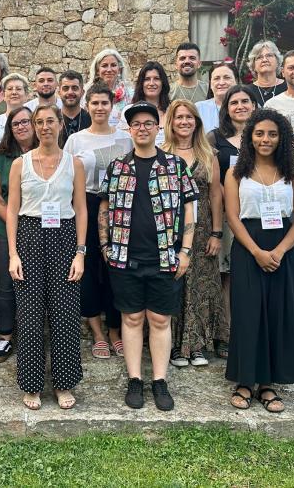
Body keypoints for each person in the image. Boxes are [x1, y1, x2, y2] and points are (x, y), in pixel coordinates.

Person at [99, 101, 198, 411]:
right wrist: (104, 246)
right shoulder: (117, 166)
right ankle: (134, 379)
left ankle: (159, 380)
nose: (142, 128)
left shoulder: (175, 165)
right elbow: (105, 207)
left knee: (159, 318)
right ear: (130, 130)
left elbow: (189, 208)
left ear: (158, 128)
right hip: (124, 257)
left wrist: (186, 250)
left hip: (165, 257)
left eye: (147, 123)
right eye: (136, 124)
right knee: (131, 318)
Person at [224, 108, 294, 413]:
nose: (266, 139)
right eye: (259, 133)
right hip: (248, 248)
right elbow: (232, 217)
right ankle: (245, 381)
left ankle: (268, 384)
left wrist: (279, 251)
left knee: (278, 313)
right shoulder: (235, 173)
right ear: (250, 136)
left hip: (283, 249)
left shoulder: (292, 174)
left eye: (272, 134)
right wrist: (257, 252)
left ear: (281, 138)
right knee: (248, 315)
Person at [8, 104, 87, 410]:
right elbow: (12, 211)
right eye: (38, 122)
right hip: (29, 237)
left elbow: (81, 209)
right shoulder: (20, 164)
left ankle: (64, 383)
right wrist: (13, 254)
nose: (44, 127)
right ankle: (31, 385)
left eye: (50, 121)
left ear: (60, 125)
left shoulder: (74, 164)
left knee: (65, 314)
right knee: (29, 316)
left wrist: (80, 253)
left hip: (64, 238)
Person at [64, 83, 132, 359]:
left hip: (120, 206)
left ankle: (115, 329)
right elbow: (67, 177)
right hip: (87, 204)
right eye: (95, 103)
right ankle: (97, 331)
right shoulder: (76, 140)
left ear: (112, 106)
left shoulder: (125, 139)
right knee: (89, 266)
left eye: (105, 103)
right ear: (87, 105)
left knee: (116, 267)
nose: (100, 108)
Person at [162, 100, 223, 368]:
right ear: (171, 123)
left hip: (202, 230)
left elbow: (216, 194)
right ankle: (175, 345)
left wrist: (217, 233)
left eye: (189, 117)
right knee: (174, 283)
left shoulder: (208, 154)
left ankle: (196, 345)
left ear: (197, 122)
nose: (184, 122)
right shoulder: (161, 153)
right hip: (170, 231)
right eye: (179, 117)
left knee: (200, 284)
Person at [206, 85, 258, 358]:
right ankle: (226, 335)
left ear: (254, 105)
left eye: (245, 101)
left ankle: (253, 330)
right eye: (234, 102)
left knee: (253, 272)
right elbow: (210, 177)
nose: (240, 106)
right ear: (226, 109)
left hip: (257, 214)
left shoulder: (263, 134)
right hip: (227, 215)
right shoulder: (214, 138)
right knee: (227, 274)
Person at [0, 106, 36, 363]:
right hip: (5, 228)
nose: (21, 127)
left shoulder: (45, 152)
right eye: (15, 124)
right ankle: (5, 336)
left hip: (39, 229)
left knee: (34, 283)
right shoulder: (2, 156)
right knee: (6, 283)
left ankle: (31, 334)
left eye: (26, 121)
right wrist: (14, 223)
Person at [122, 61, 170, 145]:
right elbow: (125, 144)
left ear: (163, 82)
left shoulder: (172, 111)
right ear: (141, 83)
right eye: (147, 79)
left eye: (156, 78)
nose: (151, 83)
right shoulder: (129, 110)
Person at [86, 48, 133, 126]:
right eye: (104, 66)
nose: (109, 69)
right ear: (97, 70)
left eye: (113, 65)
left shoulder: (130, 95)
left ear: (119, 69)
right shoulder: (87, 94)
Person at [196, 61, 239, 133]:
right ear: (210, 84)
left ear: (236, 81)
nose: (221, 83)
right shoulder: (199, 108)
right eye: (216, 78)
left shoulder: (247, 106)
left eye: (227, 78)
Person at [247, 40, 287, 107]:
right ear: (253, 66)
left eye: (269, 55)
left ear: (277, 62)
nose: (264, 60)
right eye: (259, 57)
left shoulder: (289, 88)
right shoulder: (247, 92)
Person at [0, 73, 29, 140]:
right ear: (3, 95)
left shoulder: (33, 121)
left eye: (18, 89)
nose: (14, 92)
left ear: (26, 95)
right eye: (10, 89)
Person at [58, 70, 90, 145]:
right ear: (59, 93)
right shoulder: (52, 119)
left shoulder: (91, 120)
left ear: (82, 92)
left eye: (75, 88)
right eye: (65, 88)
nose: (70, 92)